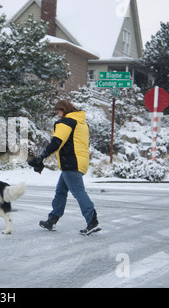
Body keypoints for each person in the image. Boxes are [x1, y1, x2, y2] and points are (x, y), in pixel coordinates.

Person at [28, 100, 101, 235]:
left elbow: (57, 142)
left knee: (78, 192)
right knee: (61, 191)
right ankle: (52, 219)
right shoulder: (80, 122)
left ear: (64, 110)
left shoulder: (66, 122)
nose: (57, 114)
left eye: (59, 111)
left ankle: (92, 221)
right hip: (79, 160)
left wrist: (42, 156)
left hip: (71, 162)